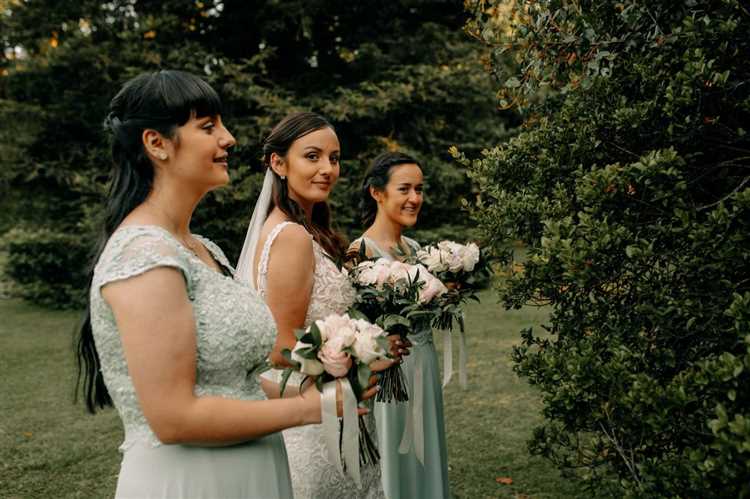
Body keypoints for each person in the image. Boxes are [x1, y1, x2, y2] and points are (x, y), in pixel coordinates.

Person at [75, 70, 374, 498]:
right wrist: (310, 409)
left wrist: (331, 382)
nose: (229, 139)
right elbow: (174, 418)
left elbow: (238, 381)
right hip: (193, 481)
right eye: (208, 127)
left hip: (253, 473)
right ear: (155, 143)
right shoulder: (142, 257)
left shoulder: (203, 249)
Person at [235, 112, 407, 498]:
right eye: (312, 156)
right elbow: (280, 348)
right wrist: (358, 357)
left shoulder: (304, 229)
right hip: (315, 424)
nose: (327, 168)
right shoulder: (292, 237)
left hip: (333, 409)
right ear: (278, 164)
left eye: (334, 157)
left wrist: (373, 342)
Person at [347, 151, 450, 499]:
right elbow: (352, 326)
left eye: (419, 189)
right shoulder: (358, 251)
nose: (415, 198)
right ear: (377, 192)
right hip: (388, 375)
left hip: (424, 364)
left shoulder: (416, 248)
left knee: (426, 446)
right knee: (395, 454)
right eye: (404, 189)